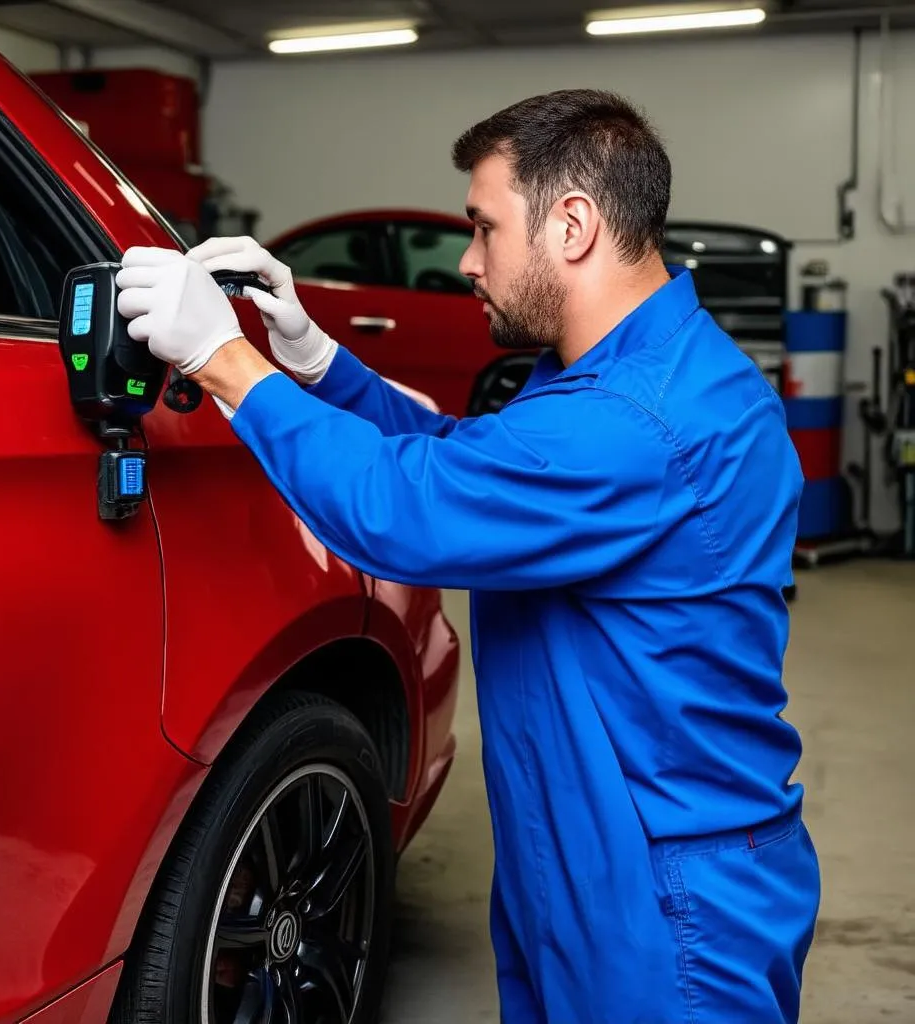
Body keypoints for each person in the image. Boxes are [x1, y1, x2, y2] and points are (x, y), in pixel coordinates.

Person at [115, 88, 820, 1023]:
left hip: (663, 897)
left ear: (572, 225)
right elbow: (470, 467)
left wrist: (223, 360)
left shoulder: (643, 421)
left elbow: (402, 511)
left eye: (485, 229)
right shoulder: (616, 373)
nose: (468, 260)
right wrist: (314, 357)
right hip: (583, 848)